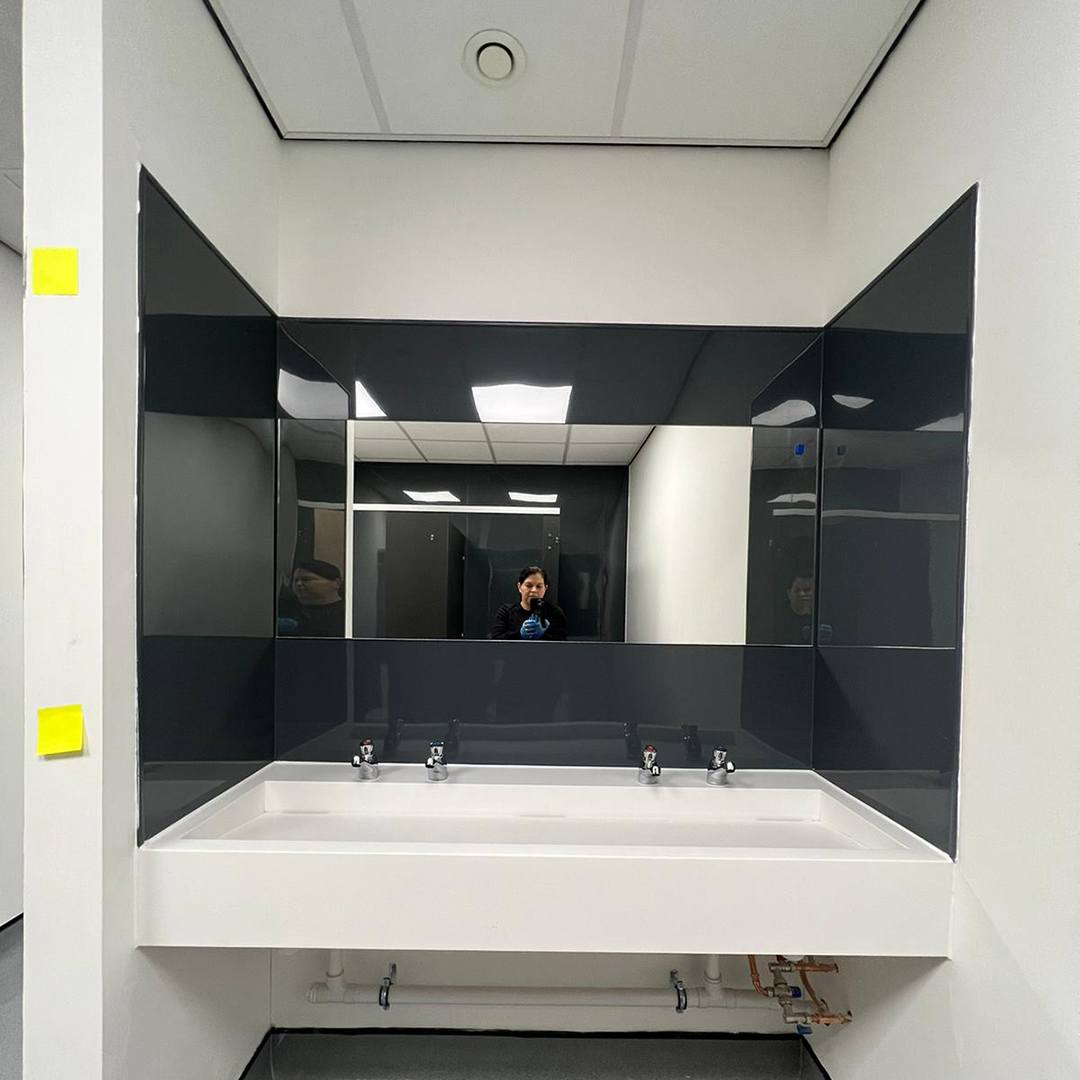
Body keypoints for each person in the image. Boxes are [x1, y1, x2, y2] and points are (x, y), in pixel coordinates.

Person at [490, 565, 567, 641]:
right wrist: (519, 634)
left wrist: (544, 635)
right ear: (519, 587)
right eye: (529, 586)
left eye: (539, 586)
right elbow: (496, 640)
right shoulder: (506, 612)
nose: (534, 590)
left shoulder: (555, 613)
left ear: (545, 588)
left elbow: (562, 642)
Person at [278, 559, 345, 637]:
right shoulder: (283, 609)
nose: (299, 584)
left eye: (306, 579)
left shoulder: (347, 614)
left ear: (337, 583)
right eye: (295, 580)